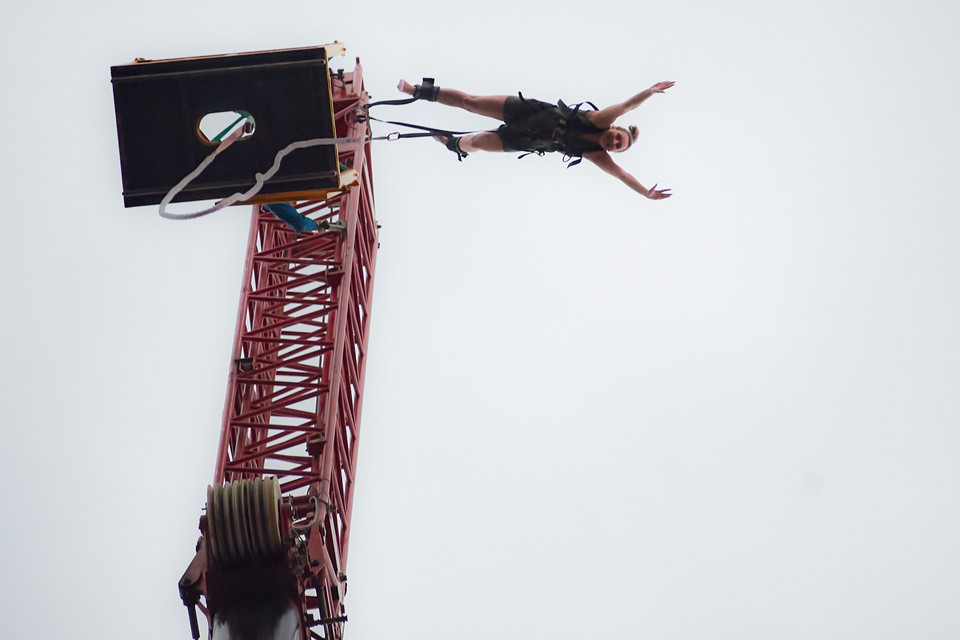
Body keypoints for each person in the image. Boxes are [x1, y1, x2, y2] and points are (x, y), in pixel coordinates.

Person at [397, 78, 674, 200]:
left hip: (528, 140)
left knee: (479, 142)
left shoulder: (596, 154)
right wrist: (649, 92)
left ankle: (451, 143)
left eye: (617, 147)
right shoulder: (600, 119)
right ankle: (418, 91)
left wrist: (645, 193)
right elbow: (627, 106)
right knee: (471, 102)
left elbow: (623, 176)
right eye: (616, 137)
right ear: (614, 128)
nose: (612, 143)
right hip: (530, 112)